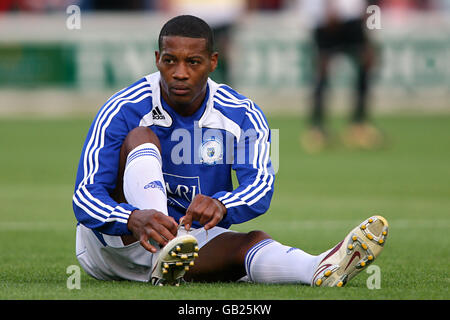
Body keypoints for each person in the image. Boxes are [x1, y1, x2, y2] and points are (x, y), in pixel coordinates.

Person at [73, 15, 389, 286]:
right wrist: (133, 218)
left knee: (249, 243)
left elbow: (261, 186)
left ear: (213, 62)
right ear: (158, 59)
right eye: (170, 60)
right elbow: (84, 195)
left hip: (185, 247)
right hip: (113, 245)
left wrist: (223, 205)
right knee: (141, 136)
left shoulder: (243, 113)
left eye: (192, 62)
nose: (179, 72)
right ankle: (161, 247)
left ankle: (319, 266)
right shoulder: (123, 107)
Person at [299, 0, 384, 152]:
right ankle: (317, 128)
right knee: (321, 72)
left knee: (364, 67)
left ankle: (358, 125)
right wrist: (329, 8)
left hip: (352, 19)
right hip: (325, 21)